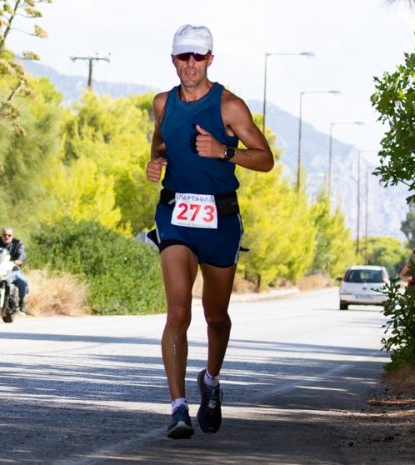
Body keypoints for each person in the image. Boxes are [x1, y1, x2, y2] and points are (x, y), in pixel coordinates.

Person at [145, 24, 274, 439]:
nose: (190, 65)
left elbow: (266, 159)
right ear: (173, 59)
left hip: (220, 219)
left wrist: (225, 151)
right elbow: (159, 144)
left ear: (210, 59)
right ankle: (178, 408)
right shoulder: (162, 103)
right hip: (175, 215)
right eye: (183, 57)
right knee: (178, 312)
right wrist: (154, 164)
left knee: (215, 316)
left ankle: (212, 382)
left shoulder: (230, 107)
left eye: (198, 57)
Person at [0, 226, 29, 313]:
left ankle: (22, 301)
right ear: (1, 235)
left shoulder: (18, 243)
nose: (6, 237)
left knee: (23, 281)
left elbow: (21, 254)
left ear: (12, 236)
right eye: (4, 235)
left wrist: (18, 260)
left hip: (12, 269)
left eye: (9, 235)